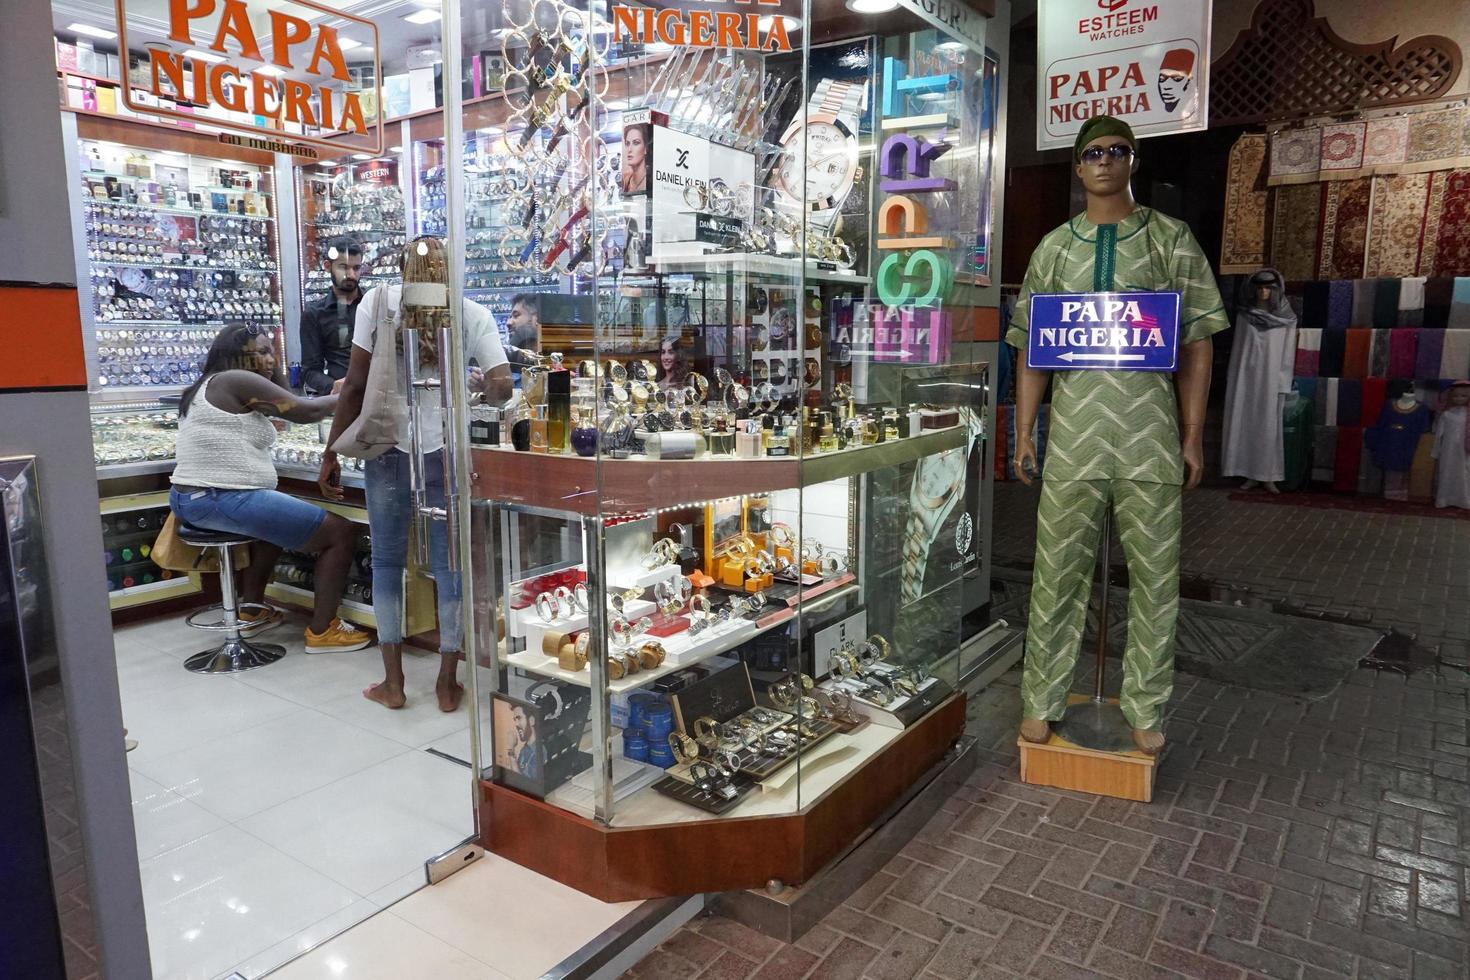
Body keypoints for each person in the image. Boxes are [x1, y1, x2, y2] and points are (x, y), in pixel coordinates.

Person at [1008, 116, 1228, 756]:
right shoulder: (1054, 248)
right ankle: (1041, 699)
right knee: (1054, 577)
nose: (1104, 161)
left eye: (1117, 151)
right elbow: (1031, 350)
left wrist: (1192, 435)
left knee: (1158, 580)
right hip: (1074, 438)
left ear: (1134, 160)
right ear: (1077, 167)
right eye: (1092, 153)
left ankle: (1145, 707)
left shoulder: (1169, 239)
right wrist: (1025, 432)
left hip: (1148, 437)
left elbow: (1197, 343)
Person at [319, 241, 513, 712]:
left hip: (387, 448)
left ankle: (394, 682)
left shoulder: (378, 301)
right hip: (444, 450)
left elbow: (356, 385)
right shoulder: (470, 312)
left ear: (405, 268)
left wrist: (332, 451)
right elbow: (503, 385)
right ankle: (448, 682)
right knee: (449, 566)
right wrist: (475, 395)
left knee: (387, 563)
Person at [170, 324, 373, 653]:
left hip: (197, 499)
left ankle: (251, 609)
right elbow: (306, 412)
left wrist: (272, 367)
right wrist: (352, 393)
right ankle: (323, 631)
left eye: (272, 350)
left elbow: (291, 402)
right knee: (340, 533)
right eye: (261, 352)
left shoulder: (213, 383)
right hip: (220, 498)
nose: (270, 358)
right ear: (236, 355)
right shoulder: (234, 380)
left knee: (271, 528)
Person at [1221, 269, 1298, 492]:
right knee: (1245, 423)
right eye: (1259, 288)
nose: (1263, 292)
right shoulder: (1245, 315)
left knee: (1268, 425)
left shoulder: (1286, 319)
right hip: (1246, 380)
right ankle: (1247, 472)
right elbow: (1239, 352)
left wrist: (1283, 381)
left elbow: (1287, 352)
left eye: (1267, 288)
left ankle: (1267, 474)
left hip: (1272, 380)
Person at [299, 237, 365, 396]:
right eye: (344, 268)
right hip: (340, 400)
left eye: (356, 268)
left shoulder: (373, 306)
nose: (351, 275)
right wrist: (333, 386)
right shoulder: (314, 314)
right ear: (328, 266)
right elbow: (310, 370)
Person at [505, 292, 542, 385]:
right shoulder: (513, 366)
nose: (508, 323)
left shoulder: (552, 365)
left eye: (516, 315)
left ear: (536, 319)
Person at [509, 703, 540, 778]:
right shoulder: (525, 750)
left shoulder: (539, 751)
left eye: (519, 718)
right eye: (515, 720)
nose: (516, 724)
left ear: (531, 720)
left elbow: (521, 782)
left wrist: (510, 748)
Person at [620, 123, 650, 195]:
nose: (629, 149)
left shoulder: (650, 181)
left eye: (636, 143)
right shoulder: (625, 179)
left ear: (645, 148)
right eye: (627, 143)